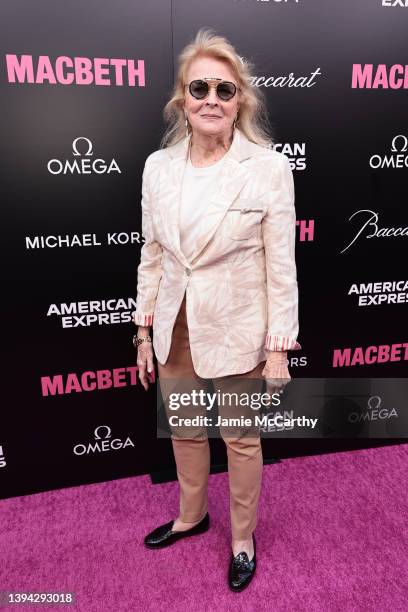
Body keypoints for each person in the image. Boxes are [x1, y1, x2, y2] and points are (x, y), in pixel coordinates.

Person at [132, 28, 301, 592]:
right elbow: (152, 253)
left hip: (236, 329)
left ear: (240, 102)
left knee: (241, 438)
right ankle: (191, 515)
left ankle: (243, 537)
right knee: (183, 429)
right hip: (174, 326)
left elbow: (282, 268)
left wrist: (278, 348)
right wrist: (142, 330)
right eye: (199, 87)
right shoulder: (157, 167)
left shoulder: (269, 168)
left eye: (224, 90)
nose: (211, 99)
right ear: (182, 96)